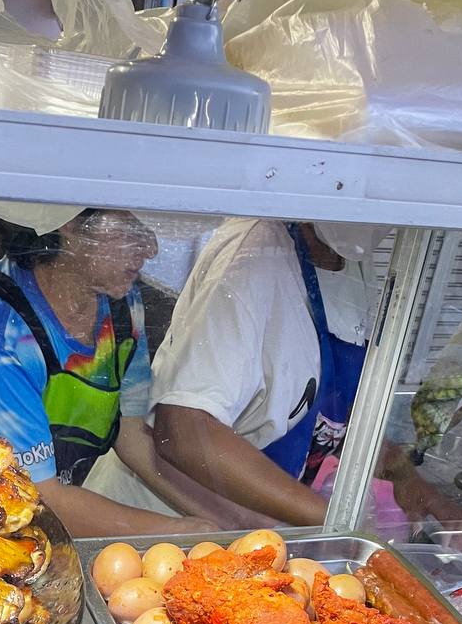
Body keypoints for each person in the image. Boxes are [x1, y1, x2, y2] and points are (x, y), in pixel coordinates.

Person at [0, 207, 219, 538]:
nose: (151, 248)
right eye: (131, 228)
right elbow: (38, 498)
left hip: (42, 532)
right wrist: (182, 531)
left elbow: (130, 433)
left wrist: (225, 521)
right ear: (70, 225)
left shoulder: (120, 305)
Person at [86, 217, 374, 528]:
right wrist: (331, 522)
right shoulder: (256, 250)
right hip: (161, 519)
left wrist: (397, 469)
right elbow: (184, 430)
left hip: (247, 526)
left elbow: (327, 407)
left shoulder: (358, 263)